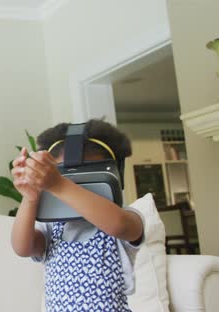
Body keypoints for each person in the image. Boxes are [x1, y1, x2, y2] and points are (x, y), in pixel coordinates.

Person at [10, 119, 145, 312]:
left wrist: (59, 184)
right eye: (67, 179)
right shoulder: (52, 226)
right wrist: (30, 197)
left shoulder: (125, 216)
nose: (72, 189)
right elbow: (23, 247)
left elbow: (119, 226)